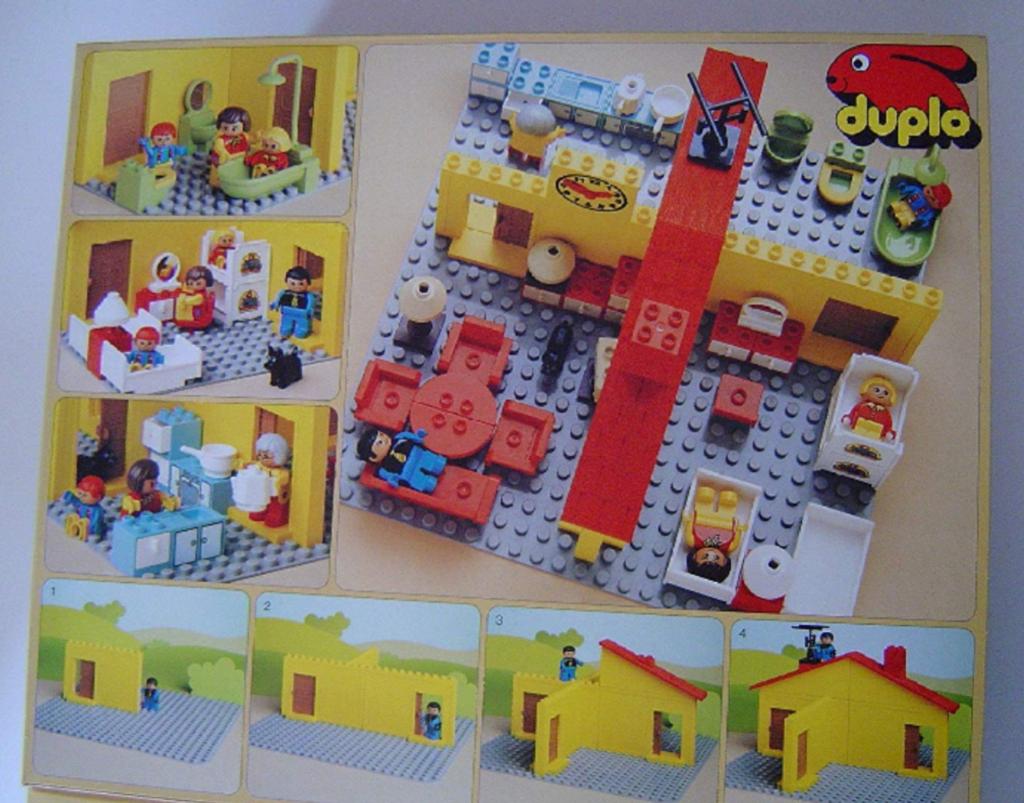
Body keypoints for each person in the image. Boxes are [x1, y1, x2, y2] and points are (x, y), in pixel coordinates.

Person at [355, 428, 446, 494]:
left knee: (434, 462)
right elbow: (388, 476)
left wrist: (418, 437)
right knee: (425, 483)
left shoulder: (399, 437)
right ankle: (428, 483)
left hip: (419, 455)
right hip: (409, 474)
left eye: (382, 435)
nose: (384, 439)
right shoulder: (383, 469)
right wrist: (393, 479)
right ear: (373, 458)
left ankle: (437, 464)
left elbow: (409, 436)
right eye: (379, 443)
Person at [249, 433, 291, 528]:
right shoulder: (260, 466)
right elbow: (253, 467)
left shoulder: (281, 472)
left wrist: (276, 482)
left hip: (275, 494)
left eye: (266, 456)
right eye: (260, 454)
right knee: (261, 501)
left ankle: (276, 516)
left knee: (276, 505)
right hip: (262, 492)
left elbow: (283, 481)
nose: (262, 458)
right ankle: (261, 511)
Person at [843, 375, 898, 441]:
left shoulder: (885, 413)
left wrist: (888, 432)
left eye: (885, 393)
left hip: (874, 439)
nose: (881, 394)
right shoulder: (862, 405)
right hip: (856, 432)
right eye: (876, 390)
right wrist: (849, 418)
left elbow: (888, 423)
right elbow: (854, 412)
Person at [209, 106, 251, 187]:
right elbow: (219, 148)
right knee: (218, 170)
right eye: (225, 128)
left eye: (234, 128)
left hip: (239, 159)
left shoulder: (244, 136)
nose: (229, 131)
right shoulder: (221, 139)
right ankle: (216, 181)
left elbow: (250, 144)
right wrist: (223, 153)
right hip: (224, 160)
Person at [270, 266, 316, 339]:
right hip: (287, 312)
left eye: (301, 284)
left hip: (302, 314)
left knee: (302, 327)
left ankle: (301, 332)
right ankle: (285, 331)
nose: (297, 286)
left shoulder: (308, 295)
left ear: (308, 283)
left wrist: (310, 310)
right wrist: (274, 304)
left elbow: (310, 304)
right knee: (286, 325)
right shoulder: (283, 292)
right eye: (293, 283)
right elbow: (277, 300)